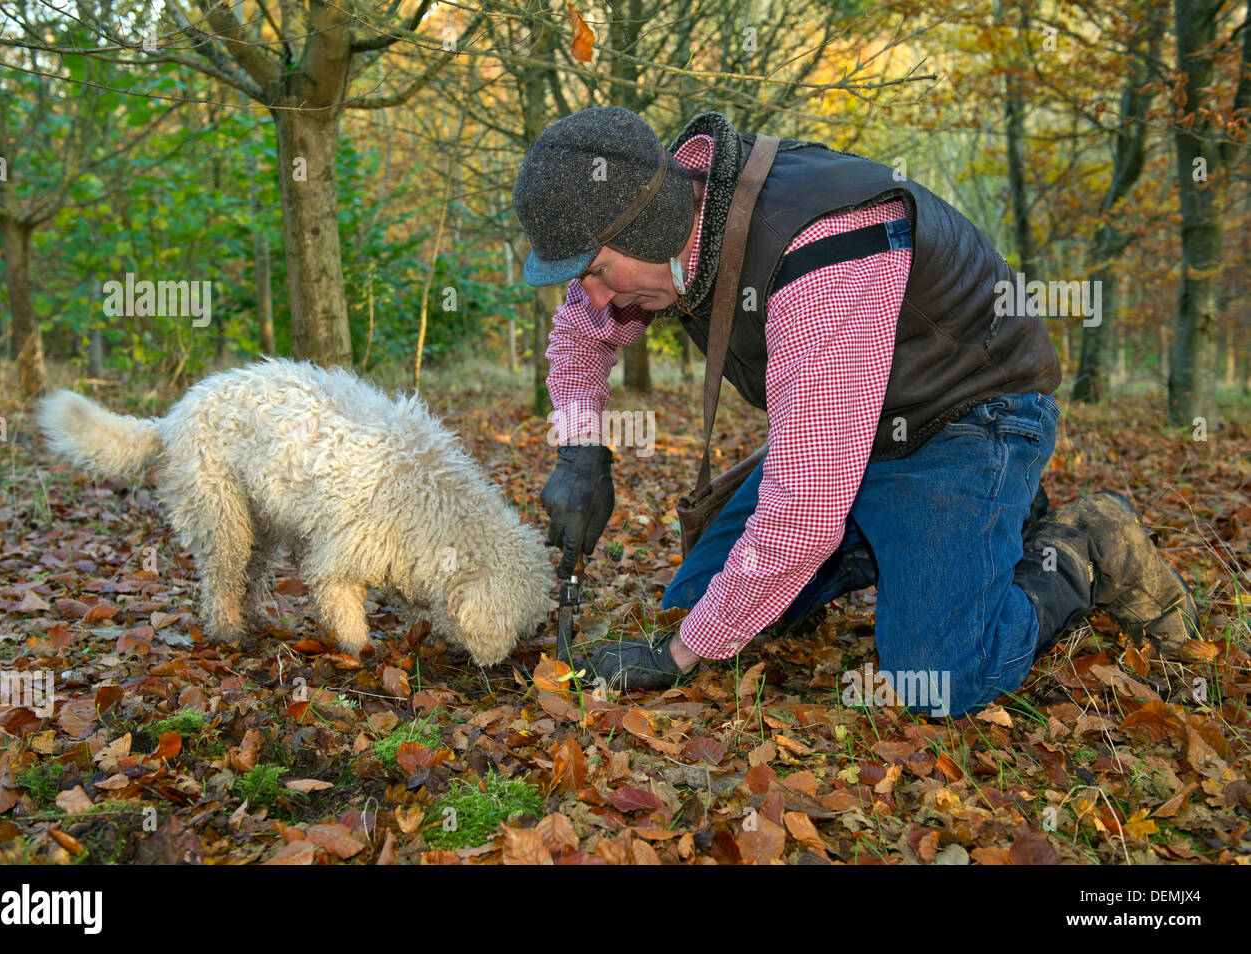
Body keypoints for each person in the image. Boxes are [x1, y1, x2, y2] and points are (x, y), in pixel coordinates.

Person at [513, 105, 1198, 716]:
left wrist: (679, 657)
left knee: (939, 677)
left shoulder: (820, 245)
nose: (593, 296)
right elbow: (580, 333)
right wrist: (581, 450)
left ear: (652, 229)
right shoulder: (668, 223)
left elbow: (805, 509)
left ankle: (1081, 542)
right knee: (700, 603)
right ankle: (938, 538)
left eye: (596, 271)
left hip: (967, 416)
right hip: (851, 436)